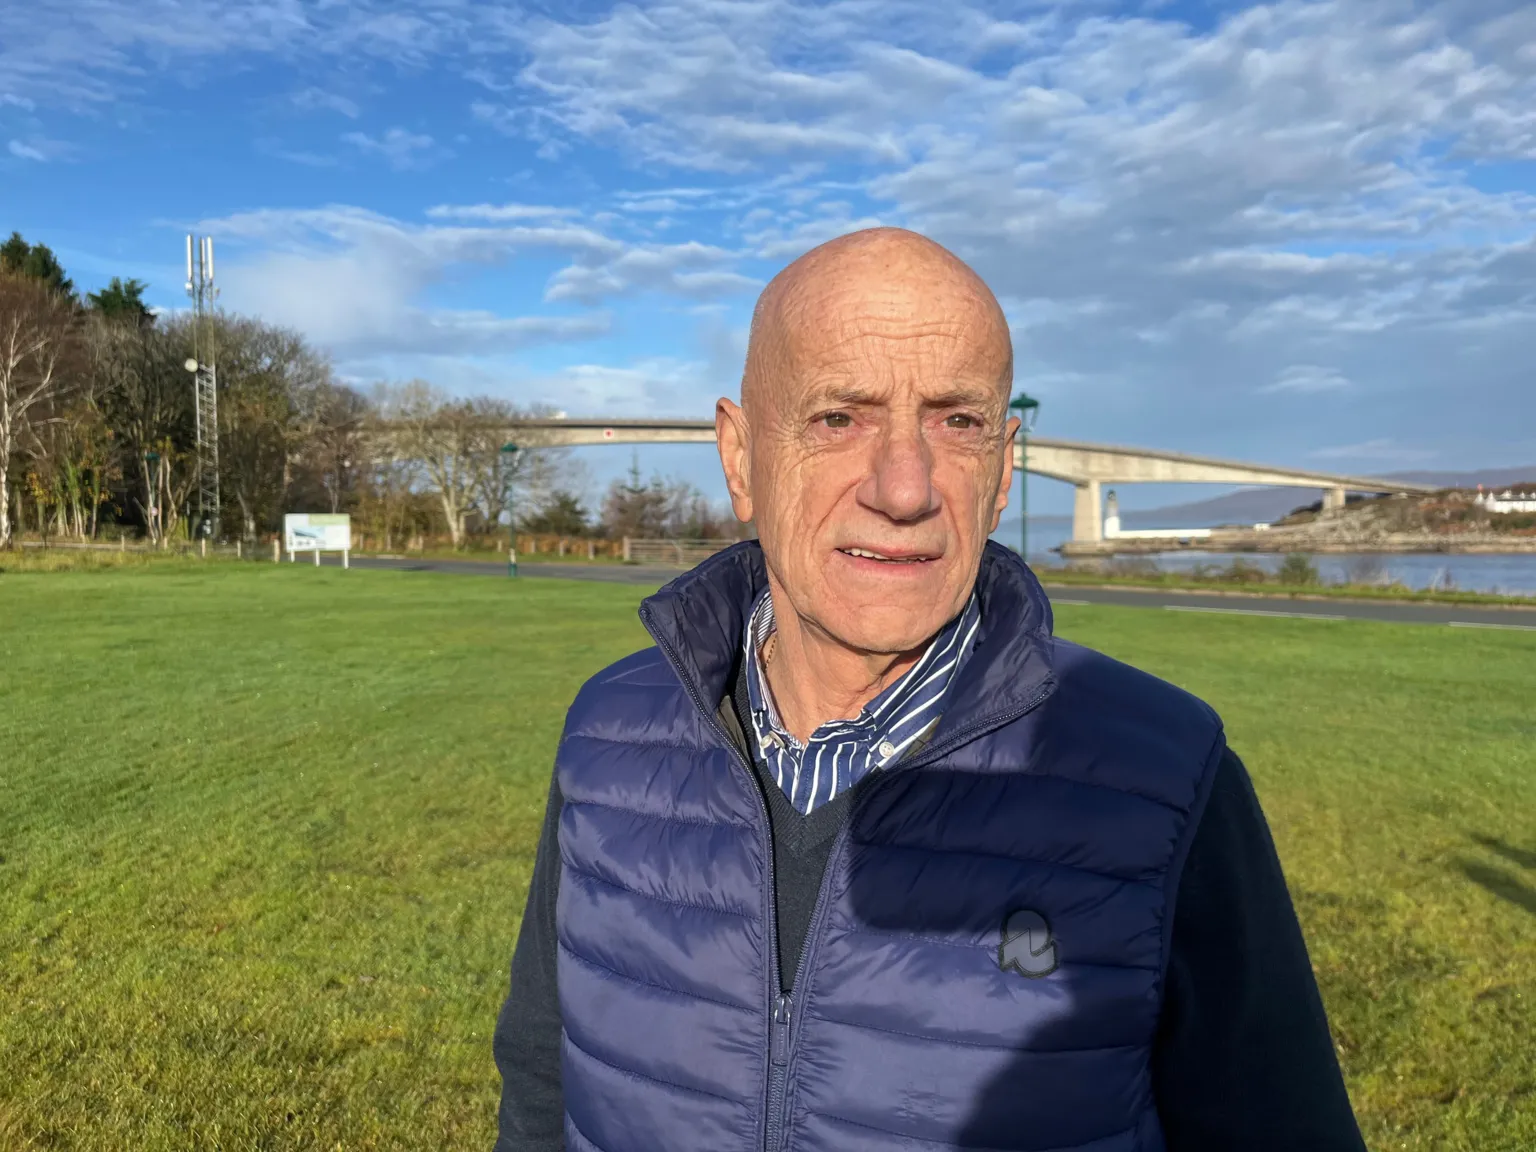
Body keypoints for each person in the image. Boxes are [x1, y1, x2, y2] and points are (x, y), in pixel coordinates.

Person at [493, 228, 1366, 1152]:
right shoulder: (611, 732)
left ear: (1002, 469)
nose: (904, 488)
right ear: (740, 457)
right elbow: (544, 1085)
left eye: (957, 421)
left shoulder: (1168, 778)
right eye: (839, 417)